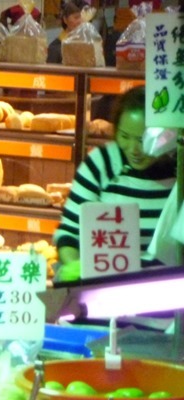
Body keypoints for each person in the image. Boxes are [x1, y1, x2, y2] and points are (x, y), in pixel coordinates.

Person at [53, 86, 177, 282]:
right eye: (125, 136)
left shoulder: (179, 173)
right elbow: (68, 233)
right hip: (104, 288)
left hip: (164, 290)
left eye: (142, 139)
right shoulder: (102, 164)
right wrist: (75, 266)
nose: (133, 149)